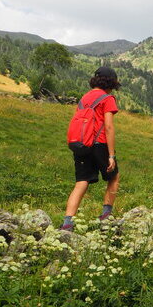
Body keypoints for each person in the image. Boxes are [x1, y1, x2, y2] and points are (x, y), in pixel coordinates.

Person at [61, 67, 121, 231]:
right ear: (110, 82)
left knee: (81, 182)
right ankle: (106, 215)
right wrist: (111, 155)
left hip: (81, 145)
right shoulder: (107, 98)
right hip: (100, 143)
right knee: (113, 177)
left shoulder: (84, 98)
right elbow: (108, 127)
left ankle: (67, 223)